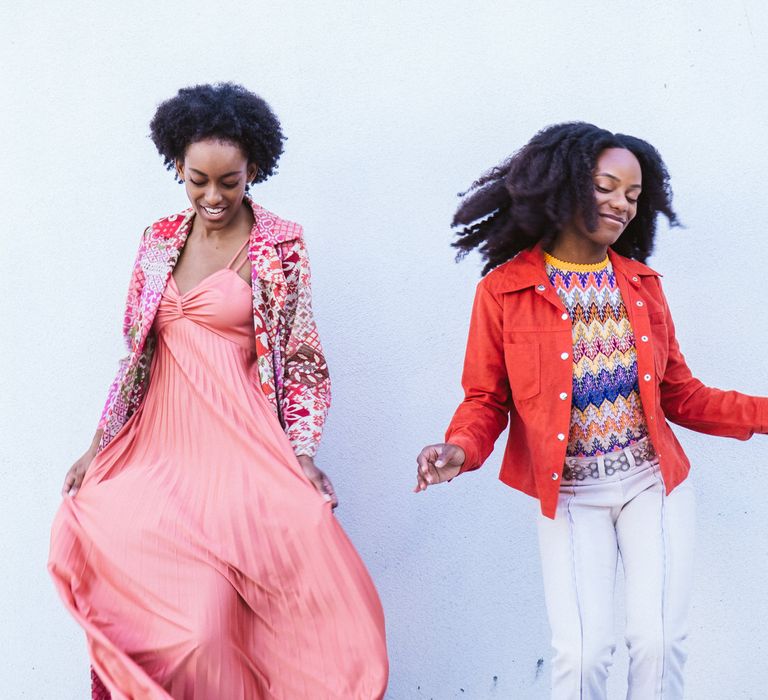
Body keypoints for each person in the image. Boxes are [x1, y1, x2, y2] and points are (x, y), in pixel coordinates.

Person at [49, 82, 388, 700]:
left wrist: (303, 455)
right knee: (183, 628)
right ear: (176, 166)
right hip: (157, 450)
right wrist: (97, 445)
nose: (213, 195)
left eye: (229, 181)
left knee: (245, 616)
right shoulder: (156, 241)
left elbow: (306, 359)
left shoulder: (281, 245)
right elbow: (136, 355)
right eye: (197, 179)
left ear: (253, 169)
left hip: (241, 449)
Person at [415, 122, 768, 700]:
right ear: (565, 182)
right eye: (607, 186)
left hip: (651, 484)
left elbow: (682, 395)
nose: (622, 205)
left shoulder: (642, 286)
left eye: (633, 195)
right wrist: (460, 448)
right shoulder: (504, 291)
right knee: (580, 657)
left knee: (655, 641)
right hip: (570, 494)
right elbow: (485, 399)